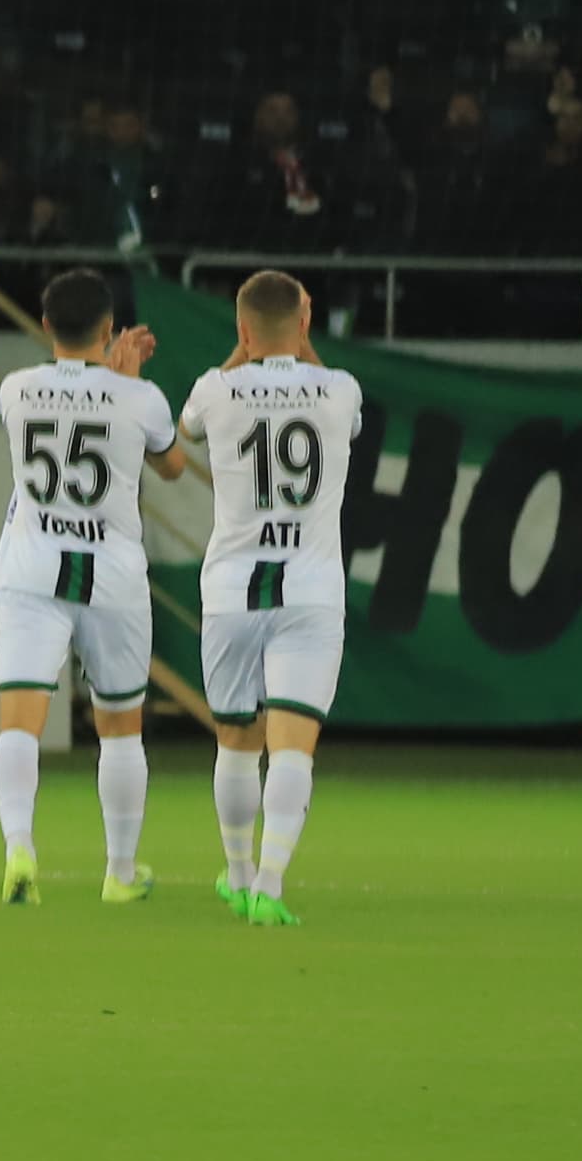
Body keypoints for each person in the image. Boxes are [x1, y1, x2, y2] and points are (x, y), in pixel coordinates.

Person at [0, 268, 190, 906]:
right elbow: (173, 466)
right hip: (112, 576)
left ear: (45, 328)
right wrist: (123, 383)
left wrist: (107, 382)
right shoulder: (142, 399)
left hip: (31, 568)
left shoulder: (15, 389)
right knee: (121, 726)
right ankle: (119, 873)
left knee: (19, 721)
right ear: (110, 329)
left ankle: (20, 846)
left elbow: (76, 410)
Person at [182, 268, 369, 924]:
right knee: (293, 747)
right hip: (311, 593)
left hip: (233, 591)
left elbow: (187, 426)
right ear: (305, 321)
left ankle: (235, 875)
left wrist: (245, 352)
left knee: (235, 741)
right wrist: (301, 343)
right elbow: (334, 408)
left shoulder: (215, 389)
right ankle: (269, 883)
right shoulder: (339, 390)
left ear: (241, 328)